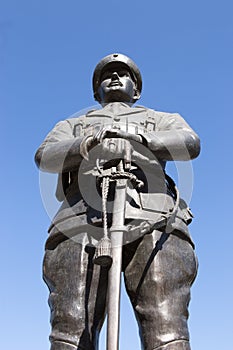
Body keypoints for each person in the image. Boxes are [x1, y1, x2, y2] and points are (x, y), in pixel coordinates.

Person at [35, 53, 200, 350]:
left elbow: (190, 143)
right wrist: (87, 142)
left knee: (166, 328)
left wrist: (142, 137)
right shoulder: (73, 123)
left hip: (153, 216)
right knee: (71, 330)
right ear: (95, 91)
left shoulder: (162, 118)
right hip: (81, 218)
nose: (114, 77)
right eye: (106, 74)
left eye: (123, 73)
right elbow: (45, 156)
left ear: (135, 90)